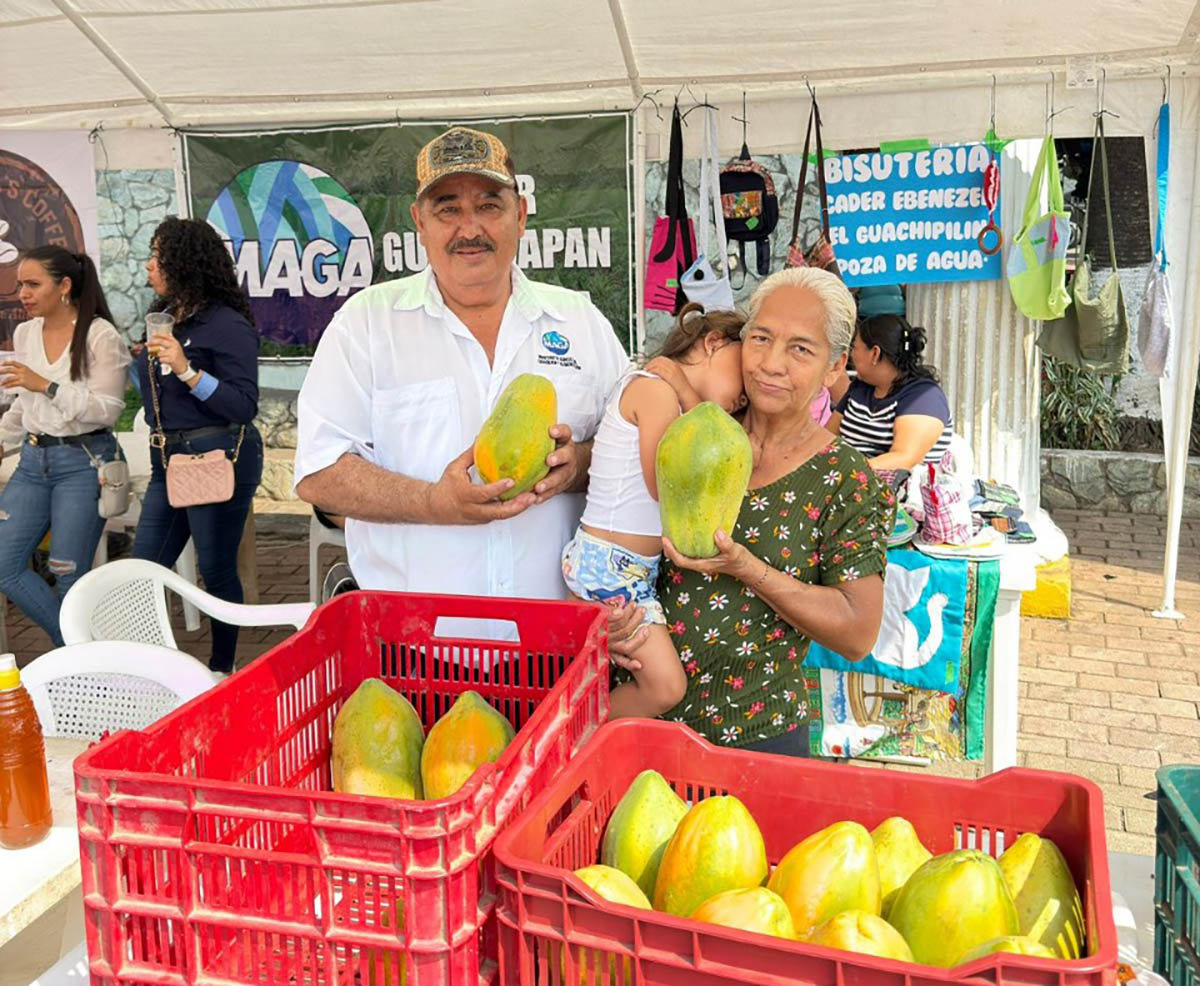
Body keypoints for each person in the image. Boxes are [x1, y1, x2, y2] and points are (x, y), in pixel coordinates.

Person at [294, 126, 629, 609]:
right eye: (447, 209)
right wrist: (433, 502)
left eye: (489, 205)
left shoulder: (580, 321)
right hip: (414, 638)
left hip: (560, 632)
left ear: (521, 215)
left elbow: (631, 447)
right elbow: (320, 472)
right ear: (419, 222)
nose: (469, 229)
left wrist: (576, 464)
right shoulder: (365, 324)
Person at [615, 267, 893, 754]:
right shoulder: (689, 425)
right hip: (638, 723)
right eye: (761, 338)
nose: (770, 364)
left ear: (834, 367)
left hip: (756, 737)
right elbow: (611, 509)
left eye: (800, 349)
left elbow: (857, 632)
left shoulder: (844, 478)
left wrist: (747, 569)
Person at [563, 301, 746, 719]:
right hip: (611, 565)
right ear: (714, 342)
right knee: (666, 687)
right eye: (742, 376)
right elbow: (666, 482)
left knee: (601, 680)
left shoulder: (670, 399)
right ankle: (572, 735)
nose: (742, 399)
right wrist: (687, 392)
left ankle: (575, 730)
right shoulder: (657, 390)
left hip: (622, 566)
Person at [133, 217, 262, 675]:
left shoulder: (226, 325)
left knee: (216, 568)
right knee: (142, 571)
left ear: (185, 263)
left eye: (157, 256)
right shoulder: (167, 319)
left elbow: (243, 405)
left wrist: (187, 370)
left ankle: (222, 669)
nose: (149, 266)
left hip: (215, 457)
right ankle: (149, 670)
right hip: (168, 460)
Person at [0, 246, 130, 645]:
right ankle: (82, 653)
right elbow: (25, 405)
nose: (23, 293)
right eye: (20, 284)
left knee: (68, 574)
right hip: (33, 461)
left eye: (33, 284)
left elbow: (107, 411)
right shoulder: (26, 333)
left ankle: (79, 662)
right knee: (5, 565)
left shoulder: (99, 335)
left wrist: (47, 385)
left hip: (83, 461)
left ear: (64, 286)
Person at [829, 314, 953, 470]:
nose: (851, 355)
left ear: (875, 353)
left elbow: (904, 458)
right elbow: (828, 437)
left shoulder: (924, 397)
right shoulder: (860, 387)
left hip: (890, 482)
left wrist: (848, 473)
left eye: (854, 348)